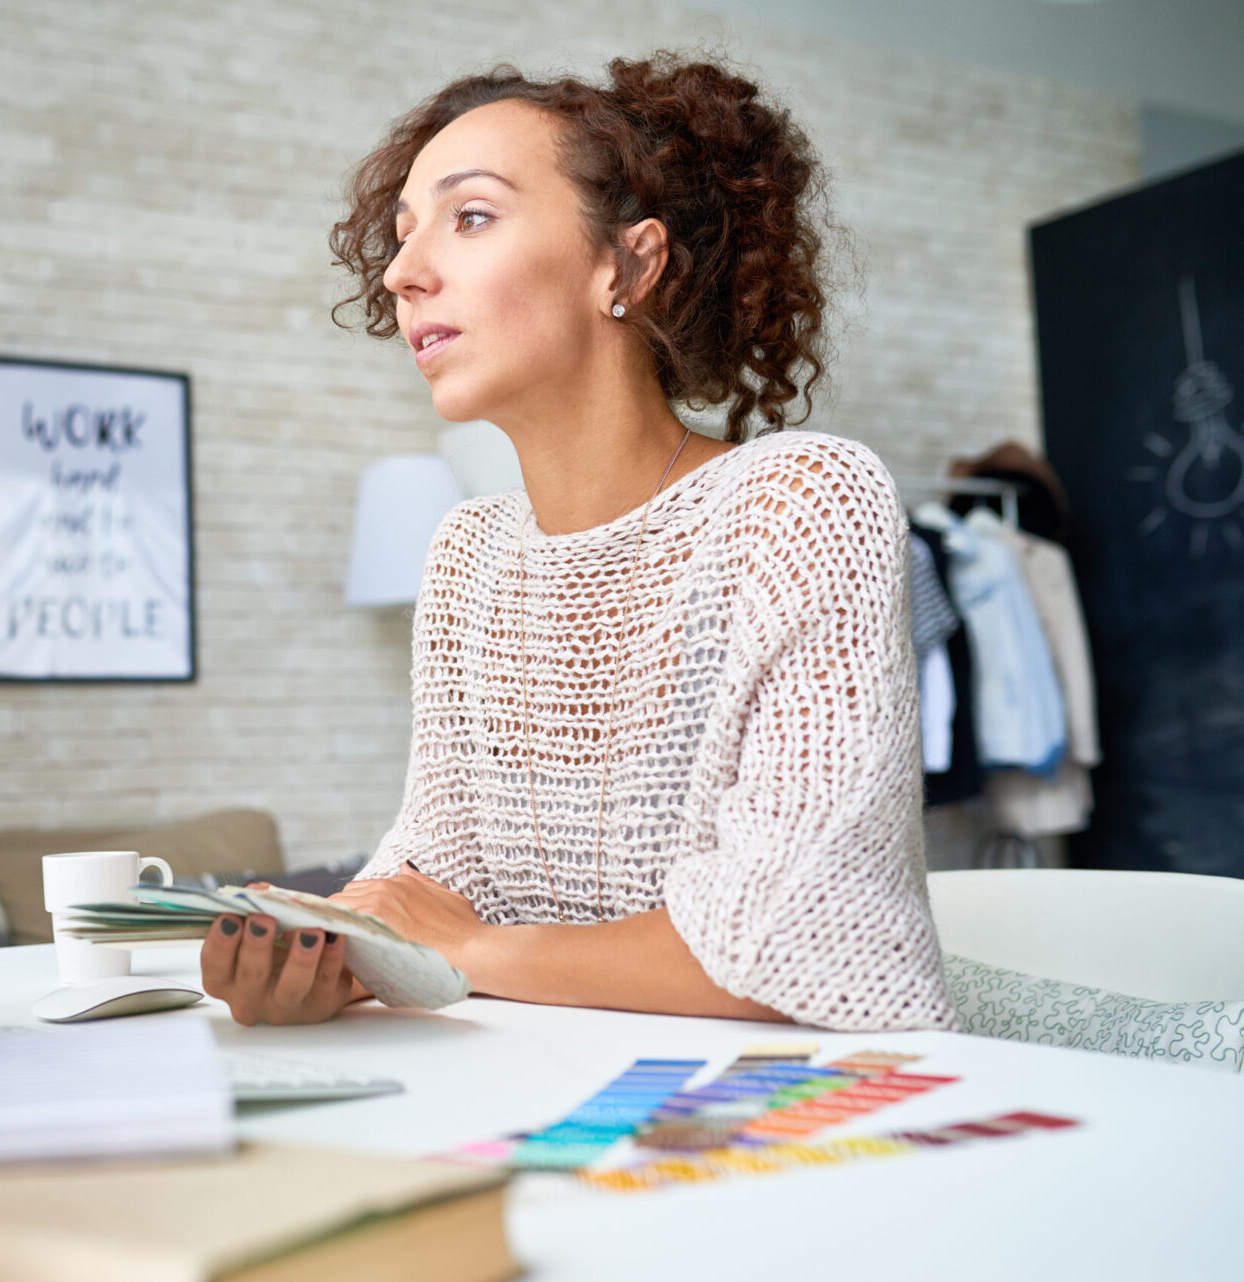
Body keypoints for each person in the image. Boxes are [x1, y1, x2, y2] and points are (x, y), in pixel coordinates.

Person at [202, 55, 957, 1032]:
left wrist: (464, 950)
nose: (401, 273)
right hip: (564, 1093)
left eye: (471, 216)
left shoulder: (801, 502)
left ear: (628, 266)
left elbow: (809, 935)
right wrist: (326, 954)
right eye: (402, 234)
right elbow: (431, 874)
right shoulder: (469, 554)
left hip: (815, 1101)